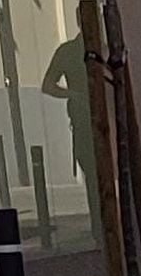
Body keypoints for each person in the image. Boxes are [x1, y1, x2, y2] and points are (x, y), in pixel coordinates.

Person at [41, 14, 100, 241]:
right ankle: (100, 230)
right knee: (94, 183)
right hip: (84, 125)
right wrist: (72, 94)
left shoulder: (103, 49)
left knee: (100, 183)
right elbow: (48, 85)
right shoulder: (68, 52)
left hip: (105, 123)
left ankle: (105, 228)